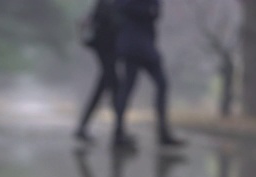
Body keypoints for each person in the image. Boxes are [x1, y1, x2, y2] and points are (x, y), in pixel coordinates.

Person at [114, 0, 184, 147]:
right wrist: (146, 11)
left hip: (144, 44)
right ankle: (119, 133)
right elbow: (123, 7)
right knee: (129, 87)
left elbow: (155, 12)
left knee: (159, 84)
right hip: (134, 44)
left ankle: (161, 132)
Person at [75, 0, 119, 143]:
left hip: (106, 46)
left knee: (105, 86)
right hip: (105, 46)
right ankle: (119, 131)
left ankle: (83, 127)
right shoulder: (107, 4)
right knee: (113, 86)